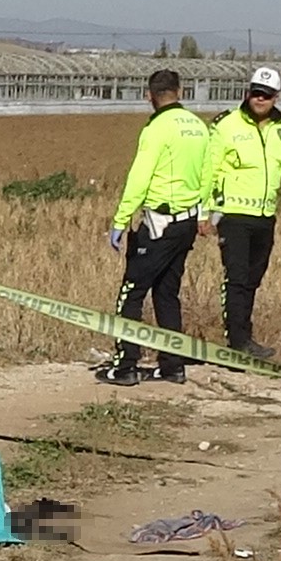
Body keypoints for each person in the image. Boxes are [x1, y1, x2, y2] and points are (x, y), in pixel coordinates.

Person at [202, 65, 281, 355]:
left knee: (252, 278)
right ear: (248, 93)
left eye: (267, 95)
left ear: (276, 97)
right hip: (232, 215)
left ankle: (245, 338)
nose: (260, 99)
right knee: (235, 278)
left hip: (264, 217)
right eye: (256, 93)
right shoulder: (226, 125)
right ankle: (237, 342)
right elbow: (208, 171)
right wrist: (203, 212)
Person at [101, 67, 214, 384]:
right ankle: (172, 364)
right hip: (187, 222)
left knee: (131, 293)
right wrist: (202, 214)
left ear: (149, 96)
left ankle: (125, 366)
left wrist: (121, 220)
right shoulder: (198, 126)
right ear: (181, 92)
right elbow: (208, 176)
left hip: (159, 222)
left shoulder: (156, 129)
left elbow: (140, 177)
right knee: (167, 293)